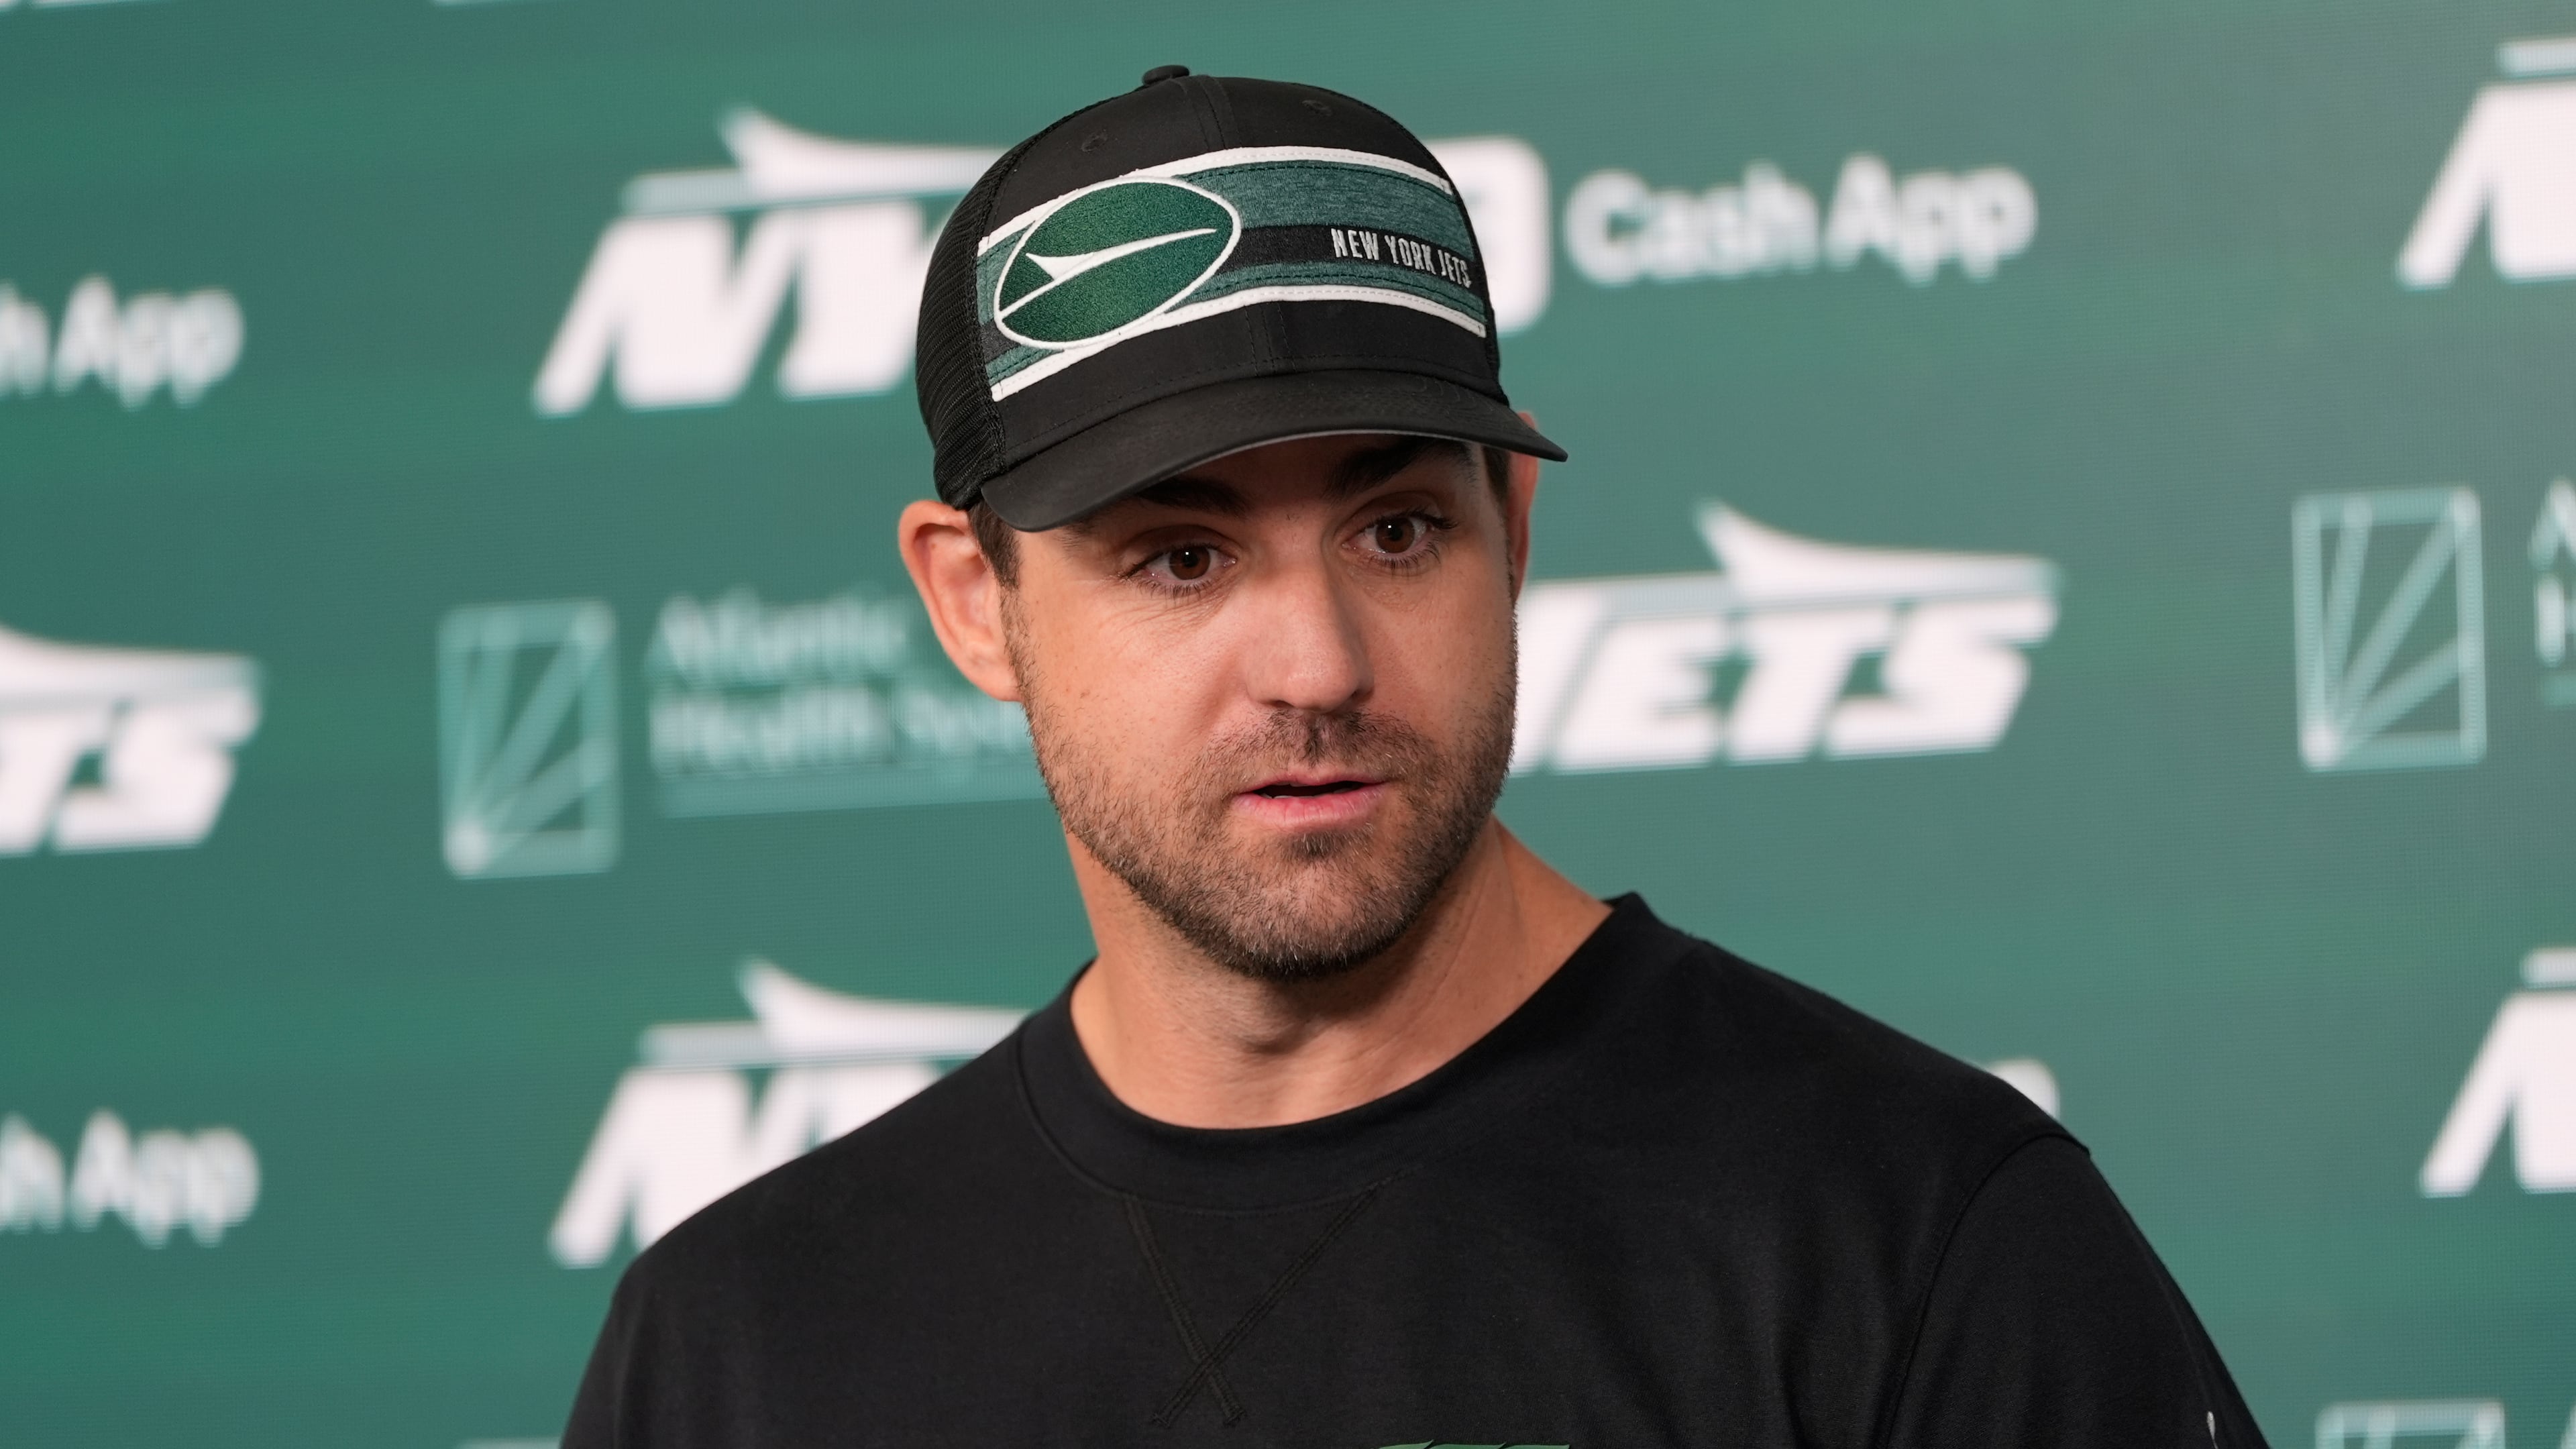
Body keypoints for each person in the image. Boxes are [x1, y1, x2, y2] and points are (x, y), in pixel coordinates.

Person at [565, 68, 2269, 1449]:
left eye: (1394, 530)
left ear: (1510, 531)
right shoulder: (745, 1344)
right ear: (975, 600)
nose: (1317, 665)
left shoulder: (1919, 1242)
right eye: (1182, 556)